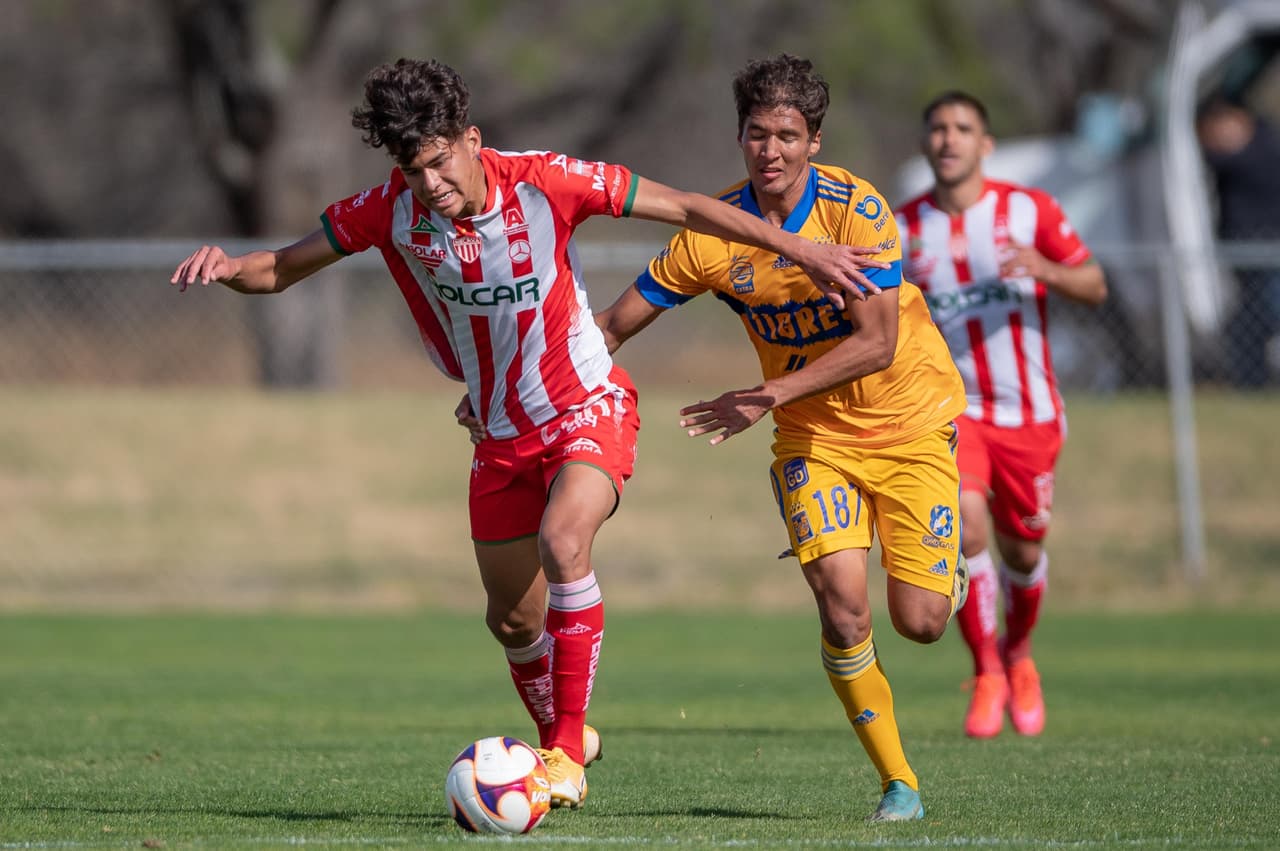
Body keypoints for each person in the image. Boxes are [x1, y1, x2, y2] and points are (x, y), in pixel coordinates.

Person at [169, 58, 884, 811]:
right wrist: (227, 266)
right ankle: (560, 741)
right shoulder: (389, 209)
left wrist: (802, 248)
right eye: (415, 171)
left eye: (441, 163)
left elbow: (683, 208)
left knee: (564, 541)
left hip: (588, 401)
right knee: (512, 620)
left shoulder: (548, 180)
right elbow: (280, 268)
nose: (432, 185)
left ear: (471, 140)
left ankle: (565, 750)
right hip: (499, 429)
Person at [588, 54, 968, 822]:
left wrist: (766, 393)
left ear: (814, 141)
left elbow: (879, 341)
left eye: (787, 135)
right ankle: (900, 782)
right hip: (813, 439)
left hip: (910, 421)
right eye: (757, 134)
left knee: (921, 622)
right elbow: (610, 329)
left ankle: (949, 566)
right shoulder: (711, 236)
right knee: (843, 610)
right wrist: (518, 385)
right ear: (740, 138)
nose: (771, 150)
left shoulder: (857, 212)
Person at [894, 91, 1107, 739]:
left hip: (1032, 411)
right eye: (937, 128)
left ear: (986, 144)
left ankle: (1020, 656)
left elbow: (1095, 284)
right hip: (956, 410)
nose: (949, 139)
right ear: (926, 142)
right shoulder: (903, 227)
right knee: (967, 523)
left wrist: (1047, 269)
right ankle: (986, 669)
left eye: (963, 128)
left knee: (1024, 547)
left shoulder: (1028, 209)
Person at [1195, 96, 1280, 388]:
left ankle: (1253, 382)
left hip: (1268, 255)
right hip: (1250, 257)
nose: (1217, 139)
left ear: (1242, 121)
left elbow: (1215, 159)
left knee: (1263, 316)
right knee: (1248, 324)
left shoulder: (1263, 151)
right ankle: (1252, 384)